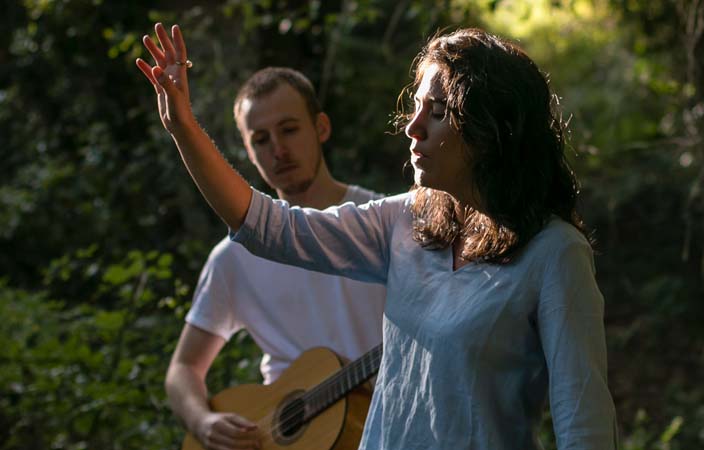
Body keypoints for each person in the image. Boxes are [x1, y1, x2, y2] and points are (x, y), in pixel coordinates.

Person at [138, 22, 618, 450]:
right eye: (415, 108)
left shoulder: (555, 254)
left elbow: (584, 424)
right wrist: (182, 127)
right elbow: (269, 228)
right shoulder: (406, 220)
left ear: (489, 128)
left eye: (437, 112)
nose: (412, 128)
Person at [159, 63, 386, 450]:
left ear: (322, 128)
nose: (278, 150)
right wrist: (204, 421)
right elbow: (182, 370)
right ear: (247, 151)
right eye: (260, 139)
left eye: (290, 130)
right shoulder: (233, 257)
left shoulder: (382, 222)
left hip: (382, 429)